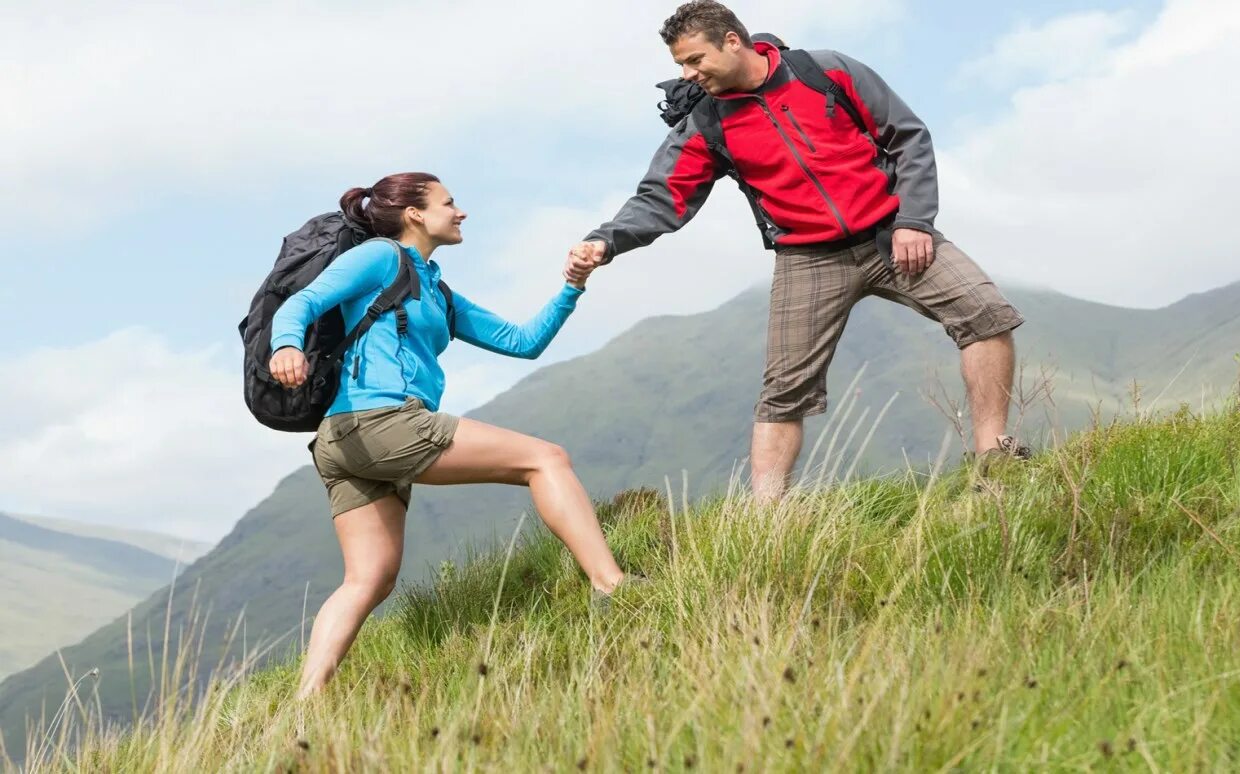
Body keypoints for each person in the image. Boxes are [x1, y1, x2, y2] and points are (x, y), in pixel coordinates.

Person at [565, 1, 1030, 501]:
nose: (688, 74)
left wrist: (914, 221)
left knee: (985, 315)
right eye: (680, 65)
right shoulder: (705, 121)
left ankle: (993, 457)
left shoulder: (825, 71)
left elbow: (907, 137)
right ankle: (768, 517)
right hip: (807, 259)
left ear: (732, 41)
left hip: (891, 235)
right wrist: (606, 239)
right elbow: (663, 197)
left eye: (695, 60)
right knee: (783, 393)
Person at [270, 172, 629, 697]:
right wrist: (286, 346)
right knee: (546, 459)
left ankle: (305, 705)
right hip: (381, 422)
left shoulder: (434, 287)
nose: (460, 212)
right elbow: (302, 303)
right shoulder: (379, 257)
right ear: (415, 214)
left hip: (350, 443)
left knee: (368, 579)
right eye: (449, 202)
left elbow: (521, 342)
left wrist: (572, 286)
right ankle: (611, 585)